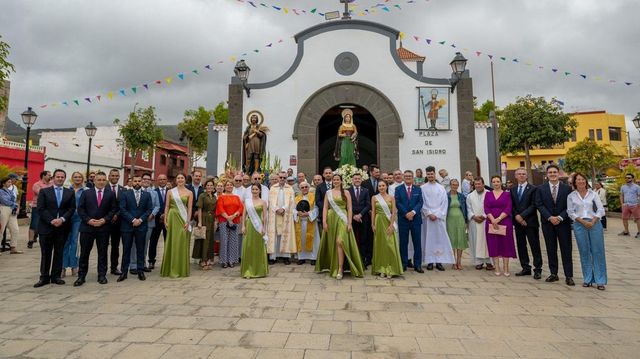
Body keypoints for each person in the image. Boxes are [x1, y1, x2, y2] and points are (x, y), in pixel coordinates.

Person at [315, 174, 364, 279]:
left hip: (343, 218)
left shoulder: (346, 192)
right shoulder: (328, 193)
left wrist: (349, 223)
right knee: (333, 242)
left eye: (338, 179)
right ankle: (335, 266)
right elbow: (325, 208)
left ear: (342, 181)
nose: (336, 181)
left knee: (340, 241)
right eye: (334, 179)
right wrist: (324, 221)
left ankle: (340, 269)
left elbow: (350, 208)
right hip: (331, 218)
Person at [75, 172, 118, 286]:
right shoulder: (86, 193)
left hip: (103, 228)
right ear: (94, 181)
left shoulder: (110, 194)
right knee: (84, 253)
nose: (101, 182)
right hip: (87, 227)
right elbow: (80, 209)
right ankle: (81, 276)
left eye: (103, 180)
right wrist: (89, 220)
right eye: (99, 179)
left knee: (102, 252)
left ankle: (102, 275)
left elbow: (113, 209)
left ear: (106, 181)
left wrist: (104, 220)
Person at [34, 169, 76, 287]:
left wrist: (62, 219)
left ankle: (56, 276)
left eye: (62, 177)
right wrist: (51, 220)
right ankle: (44, 277)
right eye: (58, 177)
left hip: (62, 227)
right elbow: (41, 208)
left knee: (59, 252)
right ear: (53, 178)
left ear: (65, 178)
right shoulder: (44, 191)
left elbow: (71, 209)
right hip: (46, 226)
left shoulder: (69, 192)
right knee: (46, 253)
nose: (60, 179)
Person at [535, 164, 574, 286]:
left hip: (563, 223)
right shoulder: (540, 189)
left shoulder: (567, 189)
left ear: (559, 174)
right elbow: (539, 204)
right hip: (548, 223)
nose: (552, 174)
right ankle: (553, 273)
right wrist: (550, 217)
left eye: (554, 172)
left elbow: (569, 206)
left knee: (566, 249)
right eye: (550, 172)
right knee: (551, 249)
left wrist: (560, 217)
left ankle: (569, 275)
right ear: (547, 175)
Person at [567, 173, 607, 290]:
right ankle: (588, 279)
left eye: (583, 179)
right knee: (584, 251)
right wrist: (582, 222)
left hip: (595, 223)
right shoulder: (571, 196)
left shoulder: (593, 194)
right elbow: (570, 212)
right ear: (575, 182)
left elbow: (600, 209)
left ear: (586, 181)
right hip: (579, 224)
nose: (581, 181)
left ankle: (600, 281)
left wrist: (593, 221)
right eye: (578, 180)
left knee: (597, 251)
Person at [118, 175, 153, 282]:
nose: (137, 183)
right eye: (135, 181)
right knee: (126, 249)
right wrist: (133, 220)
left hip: (141, 226)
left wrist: (140, 220)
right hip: (127, 226)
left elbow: (149, 209)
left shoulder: (147, 195)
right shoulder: (125, 194)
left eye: (139, 181)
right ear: (131, 182)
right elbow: (122, 209)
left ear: (142, 182)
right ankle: (124, 272)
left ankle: (140, 271)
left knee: (140, 249)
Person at [159, 173, 193, 278]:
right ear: (176, 180)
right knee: (172, 242)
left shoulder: (189, 192)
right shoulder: (170, 191)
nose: (180, 179)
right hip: (172, 217)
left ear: (185, 179)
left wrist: (188, 221)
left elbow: (190, 208)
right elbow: (167, 206)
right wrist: (165, 219)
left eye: (182, 178)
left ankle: (181, 269)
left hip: (183, 219)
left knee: (181, 242)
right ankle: (170, 268)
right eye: (178, 178)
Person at [511, 168, 543, 279]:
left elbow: (534, 205)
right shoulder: (513, 189)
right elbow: (513, 206)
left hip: (530, 222)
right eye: (519, 174)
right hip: (518, 223)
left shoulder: (534, 189)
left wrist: (522, 216)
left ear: (526, 176)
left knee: (535, 246)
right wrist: (517, 216)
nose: (521, 176)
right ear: (515, 176)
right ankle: (525, 267)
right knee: (521, 245)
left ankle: (537, 269)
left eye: (523, 174)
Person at [421, 166, 455, 271]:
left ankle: (439, 261)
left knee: (439, 240)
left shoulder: (441, 188)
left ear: (434, 174)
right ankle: (429, 261)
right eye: (428, 174)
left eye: (432, 174)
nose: (430, 176)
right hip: (428, 218)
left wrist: (438, 214)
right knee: (428, 239)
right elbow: (422, 202)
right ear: (426, 175)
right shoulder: (422, 188)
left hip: (439, 218)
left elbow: (444, 203)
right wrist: (429, 213)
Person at [485, 175, 516, 276]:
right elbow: (486, 208)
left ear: (501, 182)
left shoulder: (507, 194)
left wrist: (498, 219)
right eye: (494, 182)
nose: (496, 183)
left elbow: (508, 208)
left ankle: (506, 268)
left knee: (506, 244)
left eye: (497, 181)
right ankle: (497, 268)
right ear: (491, 183)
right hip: (491, 221)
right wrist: (493, 219)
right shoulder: (488, 194)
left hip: (504, 221)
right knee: (494, 244)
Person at [371, 180, 403, 278]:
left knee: (390, 244)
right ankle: (381, 268)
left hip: (388, 221)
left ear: (386, 186)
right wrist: (372, 224)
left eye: (383, 185)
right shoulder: (374, 198)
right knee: (380, 245)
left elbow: (393, 212)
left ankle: (391, 268)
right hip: (378, 221)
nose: (381, 187)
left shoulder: (391, 198)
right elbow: (373, 211)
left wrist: (391, 224)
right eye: (379, 186)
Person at [130, 173, 160, 274]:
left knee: (145, 244)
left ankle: (142, 264)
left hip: (149, 221)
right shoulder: (135, 191)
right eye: (144, 179)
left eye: (148, 179)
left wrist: (153, 214)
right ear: (141, 180)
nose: (146, 180)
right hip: (137, 222)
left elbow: (157, 206)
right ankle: (133, 264)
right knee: (135, 243)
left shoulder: (154, 193)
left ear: (151, 181)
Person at [395, 170, 423, 272]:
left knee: (417, 242)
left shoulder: (418, 189)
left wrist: (413, 212)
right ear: (403, 177)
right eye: (406, 176)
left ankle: (417, 265)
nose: (408, 177)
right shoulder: (398, 189)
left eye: (410, 176)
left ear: (413, 177)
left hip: (416, 219)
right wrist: (406, 213)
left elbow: (420, 202)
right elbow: (397, 203)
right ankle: (403, 264)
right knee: (403, 242)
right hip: (403, 219)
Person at [267, 171, 297, 265]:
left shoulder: (290, 189)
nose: (282, 179)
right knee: (275, 234)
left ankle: (285, 256)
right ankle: (273, 256)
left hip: (286, 214)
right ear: (278, 178)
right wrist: (276, 209)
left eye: (284, 178)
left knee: (285, 234)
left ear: (286, 178)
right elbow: (270, 201)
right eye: (281, 177)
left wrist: (284, 208)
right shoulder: (272, 188)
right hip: (275, 214)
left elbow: (292, 201)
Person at [240, 184, 269, 278]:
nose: (255, 191)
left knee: (258, 248)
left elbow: (265, 216)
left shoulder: (263, 202)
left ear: (260, 191)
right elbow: (244, 215)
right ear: (251, 190)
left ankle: (259, 271)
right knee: (248, 247)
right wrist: (243, 226)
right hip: (249, 225)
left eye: (256, 189)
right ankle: (248, 270)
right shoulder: (247, 202)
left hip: (258, 227)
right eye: (253, 189)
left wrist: (264, 228)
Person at [466, 177, 494, 271]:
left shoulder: (489, 194)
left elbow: (492, 207)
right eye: (476, 184)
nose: (477, 186)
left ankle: (489, 262)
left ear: (483, 184)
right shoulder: (470, 196)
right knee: (475, 241)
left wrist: (484, 216)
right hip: (474, 221)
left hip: (486, 220)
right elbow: (468, 208)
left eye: (479, 184)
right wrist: (473, 216)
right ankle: (478, 262)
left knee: (487, 242)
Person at [62, 172, 86, 278]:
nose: (77, 178)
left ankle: (74, 266)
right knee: (65, 242)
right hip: (67, 219)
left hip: (79, 219)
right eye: (75, 177)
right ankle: (62, 267)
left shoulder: (86, 191)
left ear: (82, 179)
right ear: (72, 178)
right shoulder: (67, 190)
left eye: (79, 177)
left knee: (75, 243)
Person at [216, 180, 244, 268]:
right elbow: (220, 209)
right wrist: (228, 218)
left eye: (231, 185)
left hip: (235, 222)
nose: (229, 186)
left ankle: (231, 260)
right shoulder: (221, 197)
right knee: (224, 241)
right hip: (224, 221)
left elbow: (241, 208)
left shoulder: (237, 197)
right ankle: (224, 261)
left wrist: (233, 216)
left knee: (233, 241)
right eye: (227, 185)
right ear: (224, 187)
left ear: (233, 186)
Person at [294, 181, 320, 265]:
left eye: (306, 187)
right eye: (302, 187)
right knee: (301, 239)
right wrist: (297, 213)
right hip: (300, 222)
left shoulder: (313, 197)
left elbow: (316, 208)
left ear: (308, 188)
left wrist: (308, 213)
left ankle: (313, 257)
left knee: (313, 239)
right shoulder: (296, 198)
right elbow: (293, 209)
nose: (304, 189)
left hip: (310, 221)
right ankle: (301, 257)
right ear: (300, 189)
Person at [349, 173, 371, 268]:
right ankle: (353, 261)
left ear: (361, 180)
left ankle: (362, 261)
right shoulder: (347, 191)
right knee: (352, 240)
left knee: (363, 240)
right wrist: (354, 215)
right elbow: (347, 205)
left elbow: (368, 205)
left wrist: (360, 215)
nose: (357, 180)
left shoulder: (365, 191)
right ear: (352, 180)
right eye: (355, 179)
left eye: (358, 178)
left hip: (363, 218)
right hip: (351, 219)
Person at [194, 179, 217, 270]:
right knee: (204, 240)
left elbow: (215, 210)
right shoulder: (202, 196)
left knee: (210, 239)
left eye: (211, 185)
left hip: (212, 219)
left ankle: (208, 258)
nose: (210, 187)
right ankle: (203, 260)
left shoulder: (214, 197)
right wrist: (199, 221)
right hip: (204, 218)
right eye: (208, 185)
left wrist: (215, 221)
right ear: (205, 186)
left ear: (213, 187)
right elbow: (199, 209)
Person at [106, 169, 124, 275]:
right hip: (106, 221)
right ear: (109, 176)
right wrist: (109, 216)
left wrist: (117, 214)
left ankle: (114, 267)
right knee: (103, 246)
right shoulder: (104, 188)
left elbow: (123, 205)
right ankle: (102, 268)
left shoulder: (123, 190)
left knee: (115, 246)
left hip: (118, 222)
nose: (115, 177)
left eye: (117, 176)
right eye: (112, 175)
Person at [446, 179, 468, 270]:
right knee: (452, 239)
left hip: (460, 219)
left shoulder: (461, 196)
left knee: (460, 239)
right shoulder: (446, 196)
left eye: (456, 185)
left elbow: (465, 208)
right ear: (450, 185)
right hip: (449, 220)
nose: (454, 186)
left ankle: (459, 261)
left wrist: (466, 221)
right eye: (453, 184)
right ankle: (453, 261)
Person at [148, 174, 168, 270]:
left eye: (164, 179)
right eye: (160, 179)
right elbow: (153, 205)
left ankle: (167, 261)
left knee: (167, 241)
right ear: (157, 180)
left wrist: (165, 214)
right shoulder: (153, 192)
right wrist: (160, 214)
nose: (162, 181)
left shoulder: (171, 192)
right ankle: (151, 261)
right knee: (153, 241)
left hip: (168, 220)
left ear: (166, 180)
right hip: (156, 220)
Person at [28, 170, 52, 248]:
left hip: (48, 207)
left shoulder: (52, 184)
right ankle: (30, 241)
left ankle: (40, 236)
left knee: (47, 223)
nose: (50, 176)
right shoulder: (37, 184)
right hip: (37, 207)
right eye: (49, 175)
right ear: (43, 176)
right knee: (34, 223)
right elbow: (42, 194)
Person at [0, 177, 21, 254]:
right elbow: (4, 201)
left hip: (12, 210)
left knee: (15, 229)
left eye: (10, 182)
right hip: (3, 209)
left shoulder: (11, 191)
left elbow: (13, 200)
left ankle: (13, 247)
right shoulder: (1, 191)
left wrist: (15, 205)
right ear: (3, 183)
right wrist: (15, 204)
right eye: (8, 182)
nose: (10, 183)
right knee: (1, 229)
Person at [618, 173, 640, 238]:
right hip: (626, 205)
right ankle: (626, 231)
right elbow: (621, 195)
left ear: (632, 179)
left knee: (638, 218)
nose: (627, 179)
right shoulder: (623, 186)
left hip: (635, 205)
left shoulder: (637, 187)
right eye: (626, 177)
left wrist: (639, 203)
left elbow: (639, 195)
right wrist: (622, 204)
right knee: (624, 218)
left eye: (629, 178)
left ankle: (639, 232)